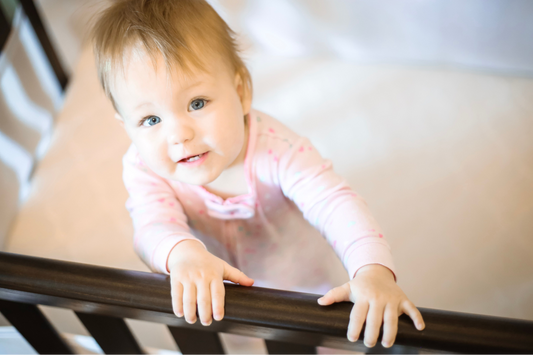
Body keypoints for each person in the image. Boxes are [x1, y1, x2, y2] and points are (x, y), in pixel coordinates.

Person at [90, 0, 425, 350]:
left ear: (241, 92)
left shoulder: (279, 150)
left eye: (197, 103)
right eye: (151, 120)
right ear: (126, 127)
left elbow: (334, 202)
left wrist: (371, 270)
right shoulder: (145, 167)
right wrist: (183, 255)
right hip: (212, 283)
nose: (178, 134)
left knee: (321, 337)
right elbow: (151, 223)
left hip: (298, 279)